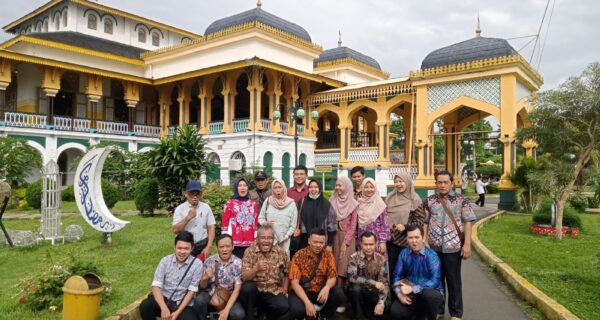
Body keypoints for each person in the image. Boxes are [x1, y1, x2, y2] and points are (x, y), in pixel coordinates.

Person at [423, 170, 476, 320]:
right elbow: (425, 222)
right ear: (436, 183)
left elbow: (467, 222)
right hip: (433, 248)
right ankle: (439, 310)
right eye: (439, 182)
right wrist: (425, 239)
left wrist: (467, 244)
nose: (442, 185)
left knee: (453, 281)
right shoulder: (430, 201)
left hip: (453, 247)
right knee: (437, 281)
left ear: (452, 183)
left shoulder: (461, 200)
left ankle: (456, 313)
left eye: (446, 182)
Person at [139, 231, 204, 320]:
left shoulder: (197, 264)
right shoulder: (165, 261)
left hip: (184, 304)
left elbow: (191, 291)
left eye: (186, 248)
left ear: (192, 248)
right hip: (165, 300)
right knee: (145, 306)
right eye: (179, 248)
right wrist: (163, 308)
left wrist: (177, 312)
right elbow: (156, 286)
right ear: (174, 247)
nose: (182, 252)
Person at [288, 228, 343, 320]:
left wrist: (327, 287)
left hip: (319, 291)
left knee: (339, 294)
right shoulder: (299, 255)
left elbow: (332, 276)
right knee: (297, 311)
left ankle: (323, 315)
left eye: (321, 243)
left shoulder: (328, 255)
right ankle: (308, 310)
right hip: (303, 291)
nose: (318, 245)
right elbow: (294, 283)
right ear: (309, 241)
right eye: (315, 242)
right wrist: (307, 302)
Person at [390, 225, 443, 320]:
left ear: (423, 238)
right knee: (395, 311)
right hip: (411, 294)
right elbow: (396, 276)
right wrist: (399, 294)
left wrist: (414, 288)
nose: (414, 241)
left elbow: (435, 281)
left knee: (430, 296)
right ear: (406, 239)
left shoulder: (432, 256)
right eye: (410, 238)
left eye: (417, 237)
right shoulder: (403, 253)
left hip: (429, 292)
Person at [239, 225, 290, 320]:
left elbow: (288, 272)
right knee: (247, 288)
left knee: (283, 306)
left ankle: (266, 314)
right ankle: (249, 316)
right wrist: (255, 269)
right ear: (257, 239)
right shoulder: (250, 252)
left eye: (269, 238)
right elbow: (244, 277)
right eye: (263, 238)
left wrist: (285, 288)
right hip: (255, 292)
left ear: (273, 239)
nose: (266, 241)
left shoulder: (280, 252)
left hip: (272, 291)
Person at [194, 234, 245, 320]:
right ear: (217, 248)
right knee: (199, 300)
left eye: (227, 246)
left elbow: (237, 290)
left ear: (233, 247)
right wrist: (205, 278)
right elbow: (202, 287)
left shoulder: (238, 263)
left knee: (238, 314)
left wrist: (226, 310)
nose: (224, 249)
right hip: (211, 293)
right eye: (221, 247)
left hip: (229, 295)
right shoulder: (209, 261)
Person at [385, 173, 425, 276]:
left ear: (407, 182)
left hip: (408, 242)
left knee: (408, 272)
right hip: (392, 241)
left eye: (401, 181)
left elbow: (420, 221)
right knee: (394, 271)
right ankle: (394, 292)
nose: (398, 184)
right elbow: (384, 218)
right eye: (396, 182)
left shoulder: (415, 199)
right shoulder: (390, 198)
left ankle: (409, 292)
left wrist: (406, 226)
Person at [330, 176, 359, 313]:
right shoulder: (332, 200)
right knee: (333, 269)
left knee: (343, 270)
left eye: (340, 185)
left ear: (347, 186)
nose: (338, 188)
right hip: (334, 237)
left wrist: (345, 243)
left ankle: (344, 302)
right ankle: (334, 300)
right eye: (336, 185)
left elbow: (353, 227)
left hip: (347, 240)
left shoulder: (353, 204)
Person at [346, 231, 389, 320]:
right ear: (361, 244)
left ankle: (370, 312)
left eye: (371, 244)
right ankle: (358, 315)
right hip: (358, 292)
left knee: (387, 305)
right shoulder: (354, 257)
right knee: (355, 289)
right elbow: (352, 277)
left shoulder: (381, 259)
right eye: (365, 244)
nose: (368, 247)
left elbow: (384, 283)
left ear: (375, 244)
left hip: (372, 292)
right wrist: (372, 282)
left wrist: (381, 303)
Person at [173, 180, 216, 259]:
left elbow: (211, 227)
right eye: (192, 193)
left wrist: (208, 246)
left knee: (203, 269)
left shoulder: (206, 207)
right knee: (186, 269)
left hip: (202, 244)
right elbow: (175, 230)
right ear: (186, 194)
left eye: (198, 193)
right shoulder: (180, 209)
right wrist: (188, 217)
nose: (195, 196)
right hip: (186, 245)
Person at [222, 177, 259, 259]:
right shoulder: (230, 203)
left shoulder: (253, 204)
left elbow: (255, 224)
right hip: (235, 243)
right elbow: (224, 224)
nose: (242, 188)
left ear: (247, 188)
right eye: (240, 185)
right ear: (236, 188)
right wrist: (225, 241)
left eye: (245, 185)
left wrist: (255, 240)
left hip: (250, 242)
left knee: (248, 267)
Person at [258, 178, 298, 255]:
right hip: (269, 240)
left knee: (283, 263)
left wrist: (287, 236)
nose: (277, 190)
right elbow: (261, 218)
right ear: (272, 190)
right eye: (275, 188)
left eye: (280, 187)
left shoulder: (291, 203)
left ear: (284, 188)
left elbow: (293, 224)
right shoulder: (268, 201)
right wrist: (265, 223)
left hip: (285, 241)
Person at [297, 179, 337, 251]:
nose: (313, 189)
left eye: (316, 187)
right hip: (305, 242)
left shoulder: (326, 204)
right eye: (311, 187)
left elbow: (332, 225)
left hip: (322, 243)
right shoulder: (302, 202)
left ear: (319, 188)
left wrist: (329, 244)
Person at [356, 178, 390, 257]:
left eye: (371, 187)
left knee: (378, 264)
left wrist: (383, 241)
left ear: (375, 188)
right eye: (366, 187)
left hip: (377, 240)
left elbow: (385, 224)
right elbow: (356, 224)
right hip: (361, 239)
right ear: (362, 188)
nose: (369, 189)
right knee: (362, 264)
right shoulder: (358, 203)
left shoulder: (380, 203)